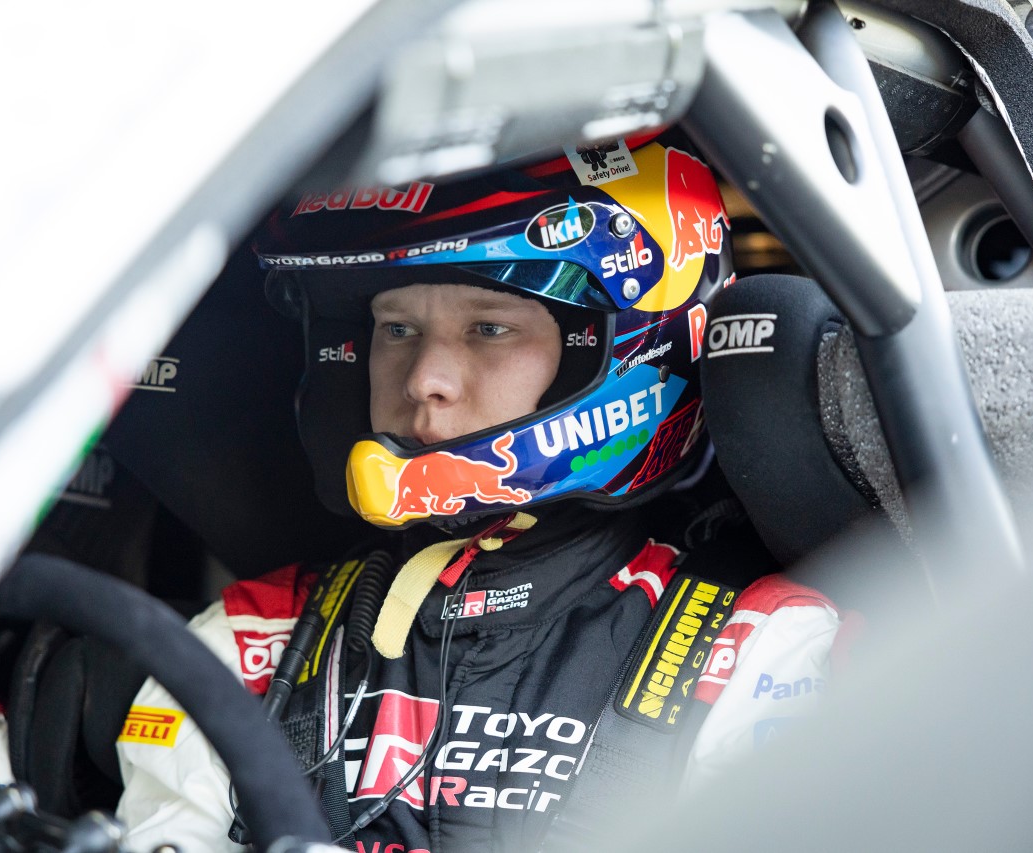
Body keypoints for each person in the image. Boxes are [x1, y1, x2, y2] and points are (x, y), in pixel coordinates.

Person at [115, 129, 849, 853]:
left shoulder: (757, 651)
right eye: (396, 329)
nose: (422, 380)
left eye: (489, 328)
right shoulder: (246, 641)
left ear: (620, 344)